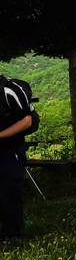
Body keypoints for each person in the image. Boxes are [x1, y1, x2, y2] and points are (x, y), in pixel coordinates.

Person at [0, 77, 38, 248]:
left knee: (10, 189)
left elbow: (27, 120)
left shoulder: (10, 91)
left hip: (10, 148)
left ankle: (12, 234)